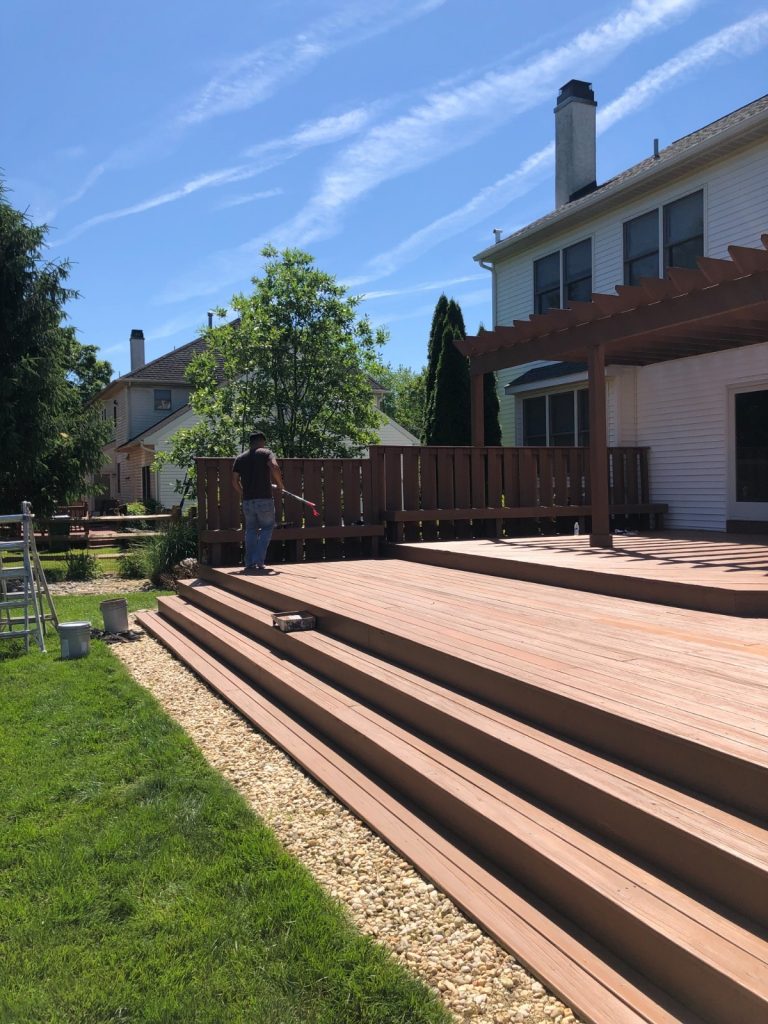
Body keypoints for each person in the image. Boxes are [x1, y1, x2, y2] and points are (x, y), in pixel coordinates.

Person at [232, 432, 284, 571]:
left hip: (248, 501)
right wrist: (280, 484)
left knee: (250, 530)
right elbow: (274, 467)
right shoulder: (266, 453)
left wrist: (243, 492)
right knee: (267, 528)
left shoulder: (240, 458)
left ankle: (249, 563)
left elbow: (234, 481)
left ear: (251, 442)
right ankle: (259, 561)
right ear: (262, 441)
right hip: (264, 499)